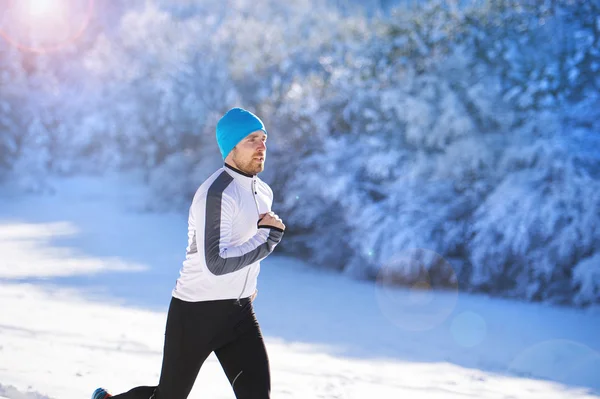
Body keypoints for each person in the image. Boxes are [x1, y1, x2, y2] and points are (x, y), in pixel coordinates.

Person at [92, 107, 285, 399]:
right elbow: (216, 263)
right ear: (230, 147)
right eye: (251, 140)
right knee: (168, 396)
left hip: (239, 313)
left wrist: (247, 284)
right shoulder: (217, 194)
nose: (262, 147)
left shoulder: (263, 191)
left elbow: (243, 246)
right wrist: (268, 239)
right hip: (196, 312)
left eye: (263, 138)